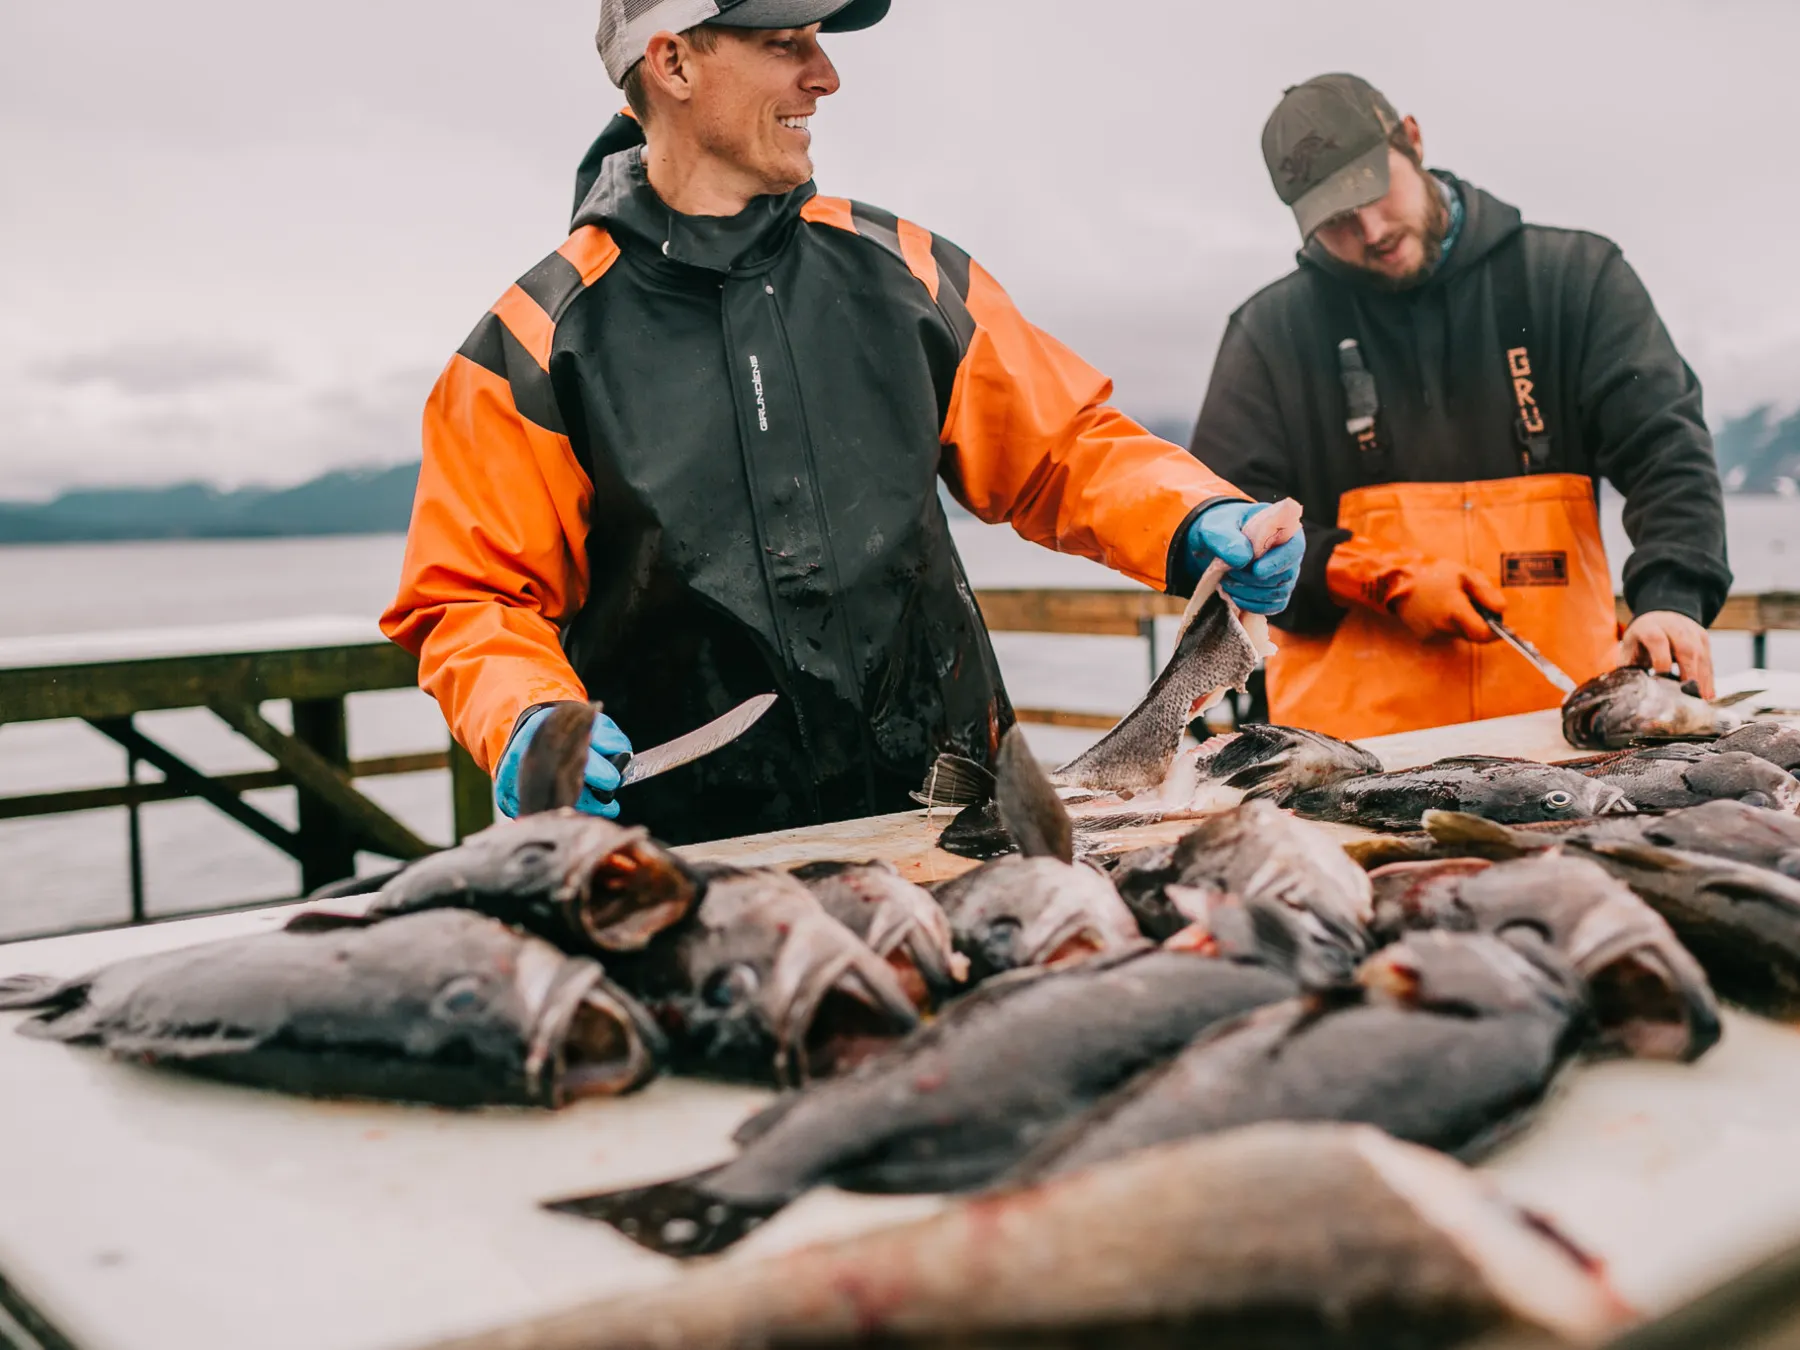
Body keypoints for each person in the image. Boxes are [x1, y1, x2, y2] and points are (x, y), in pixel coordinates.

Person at [382, 0, 1302, 845]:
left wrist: (1194, 517)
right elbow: (472, 600)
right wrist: (528, 718)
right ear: (672, 62)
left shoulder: (902, 270)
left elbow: (1063, 450)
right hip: (693, 864)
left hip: (956, 824)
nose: (825, 75)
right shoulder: (534, 342)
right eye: (787, 44)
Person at [1189, 73, 1731, 742]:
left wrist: (1673, 601)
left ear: (1410, 139)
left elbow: (1667, 452)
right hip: (1349, 766)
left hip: (1564, 745)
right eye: (1334, 220)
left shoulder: (1575, 280)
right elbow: (1224, 529)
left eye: (1371, 191)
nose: (1369, 230)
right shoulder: (1270, 333)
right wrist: (1380, 580)